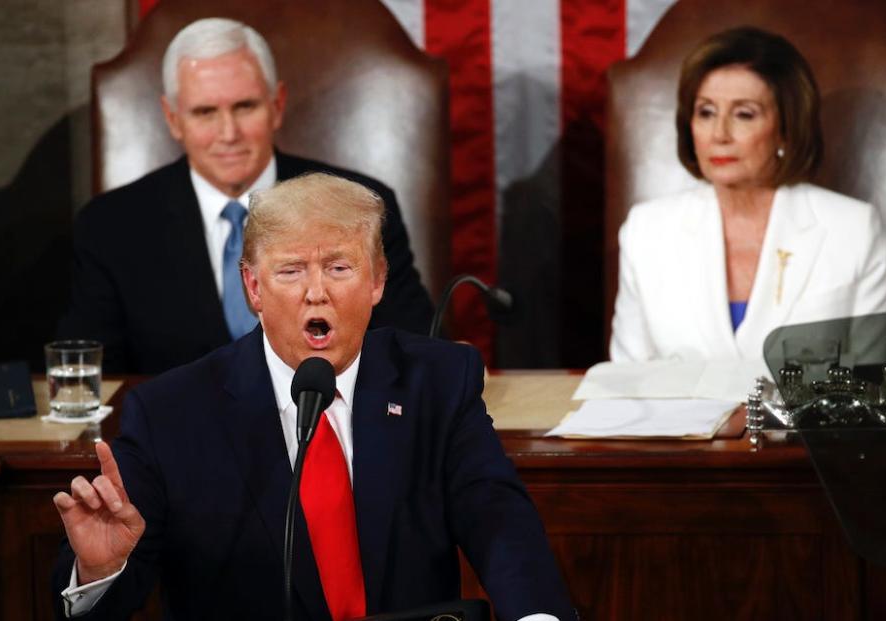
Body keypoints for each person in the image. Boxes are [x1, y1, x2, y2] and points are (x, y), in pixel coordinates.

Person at [50, 173, 575, 620]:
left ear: (377, 281)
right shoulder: (171, 413)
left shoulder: (437, 381)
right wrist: (99, 571)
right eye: (291, 270)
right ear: (253, 288)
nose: (316, 291)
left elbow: (497, 517)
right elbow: (114, 595)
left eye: (339, 267)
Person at [55, 18, 434, 374]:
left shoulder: (358, 207)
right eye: (205, 112)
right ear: (172, 119)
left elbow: (415, 349)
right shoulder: (111, 225)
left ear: (277, 105)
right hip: (181, 438)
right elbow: (93, 377)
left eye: (244, 106)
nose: (228, 132)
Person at [609, 26, 886, 364]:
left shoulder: (852, 228)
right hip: (680, 420)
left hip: (806, 419)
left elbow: (873, 383)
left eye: (744, 114)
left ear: (786, 129)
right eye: (706, 112)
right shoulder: (647, 230)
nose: (719, 134)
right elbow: (626, 385)